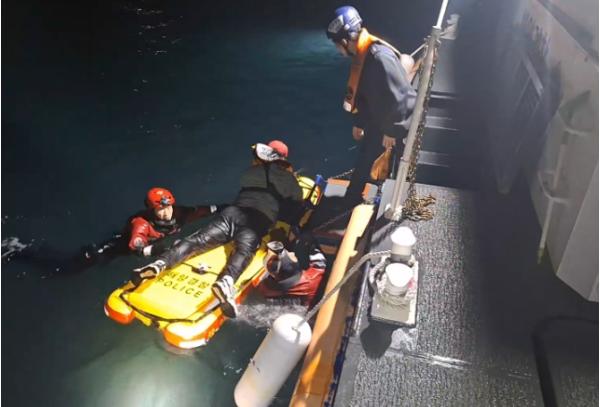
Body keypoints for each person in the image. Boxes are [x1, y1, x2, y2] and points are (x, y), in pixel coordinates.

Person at [133, 140, 304, 318]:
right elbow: (295, 203)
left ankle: (160, 263)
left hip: (232, 213)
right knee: (244, 251)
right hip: (256, 221)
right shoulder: (288, 180)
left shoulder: (252, 171)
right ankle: (226, 280)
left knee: (197, 240)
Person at [326, 6, 417, 206]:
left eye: (336, 44)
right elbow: (364, 95)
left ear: (345, 41)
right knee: (365, 157)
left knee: (398, 165)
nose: (337, 49)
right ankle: (352, 198)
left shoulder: (379, 57)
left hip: (395, 123)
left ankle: (395, 203)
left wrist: (392, 131)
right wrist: (359, 123)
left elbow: (401, 98)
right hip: (380, 118)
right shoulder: (363, 55)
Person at [127, 187, 219, 257]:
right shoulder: (141, 223)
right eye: (161, 209)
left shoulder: (179, 213)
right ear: (152, 210)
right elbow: (136, 246)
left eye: (168, 207)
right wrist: (153, 250)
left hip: (163, 239)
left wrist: (222, 209)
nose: (167, 212)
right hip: (125, 248)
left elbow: (200, 211)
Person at [258, 237, 326, 308]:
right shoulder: (312, 278)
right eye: (290, 254)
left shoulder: (265, 289)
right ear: (295, 266)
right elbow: (320, 261)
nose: (292, 253)